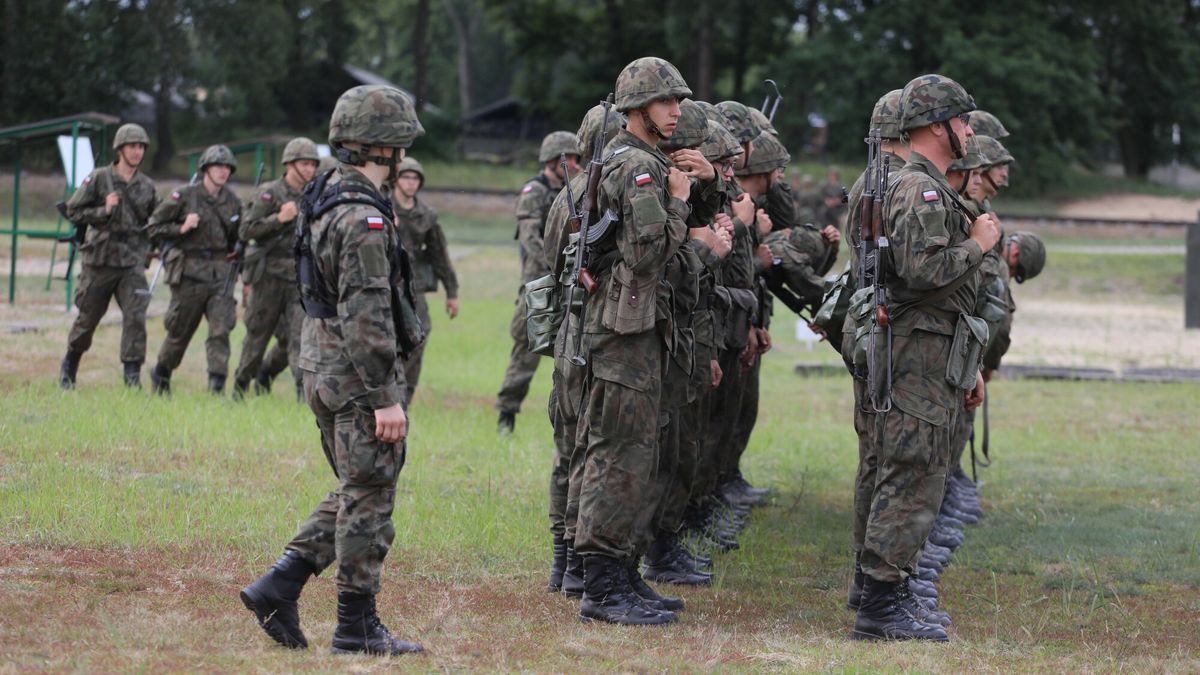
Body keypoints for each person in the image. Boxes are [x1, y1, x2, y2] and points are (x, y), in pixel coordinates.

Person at [239, 84, 426, 657]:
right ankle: (356, 626)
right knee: (370, 490)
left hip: (321, 363)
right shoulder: (363, 215)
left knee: (357, 484)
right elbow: (366, 312)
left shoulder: (324, 193)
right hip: (353, 374)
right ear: (384, 147)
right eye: (401, 145)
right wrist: (384, 396)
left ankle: (282, 583)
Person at [851, 74, 1001, 642]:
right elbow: (923, 272)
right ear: (938, 125)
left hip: (934, 348)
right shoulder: (921, 190)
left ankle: (888, 592)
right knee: (910, 472)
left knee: (918, 471)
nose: (968, 131)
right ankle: (881, 606)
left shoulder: (928, 186)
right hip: (916, 349)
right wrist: (981, 243)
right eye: (963, 120)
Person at [569, 56, 692, 626]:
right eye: (667, 102)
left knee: (634, 450)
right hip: (622, 330)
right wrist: (680, 199)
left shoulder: (630, 160)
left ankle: (619, 572)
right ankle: (601, 585)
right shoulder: (641, 170)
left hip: (629, 326)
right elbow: (645, 255)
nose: (676, 112)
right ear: (638, 109)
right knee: (619, 452)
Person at [59, 123, 158, 389]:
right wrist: (103, 210)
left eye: (141, 147)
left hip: (131, 262)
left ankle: (132, 375)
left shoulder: (147, 186)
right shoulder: (100, 178)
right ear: (120, 149)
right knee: (88, 317)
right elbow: (73, 211)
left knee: (137, 315)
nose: (137, 152)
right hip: (100, 260)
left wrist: (159, 244)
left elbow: (155, 222)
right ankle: (70, 365)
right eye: (132, 146)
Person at [495, 131, 580, 433]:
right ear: (552, 160)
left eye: (575, 157)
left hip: (569, 281)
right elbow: (531, 239)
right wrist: (555, 265)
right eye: (568, 158)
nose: (573, 163)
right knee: (526, 348)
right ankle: (507, 411)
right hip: (539, 283)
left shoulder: (574, 190)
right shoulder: (535, 191)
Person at [147, 144, 243, 395]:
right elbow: (154, 226)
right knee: (180, 331)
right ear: (205, 169)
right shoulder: (184, 196)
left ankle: (217, 385)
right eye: (218, 166)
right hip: (189, 274)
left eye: (227, 168)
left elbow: (238, 239)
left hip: (221, 274)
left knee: (220, 330)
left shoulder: (233, 202)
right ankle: (162, 373)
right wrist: (181, 227)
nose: (223, 172)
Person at [231, 137, 320, 400]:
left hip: (299, 278)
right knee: (257, 336)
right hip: (268, 276)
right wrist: (278, 219)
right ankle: (240, 388)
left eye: (313, 165)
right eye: (304, 164)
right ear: (289, 164)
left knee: (300, 338)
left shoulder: (315, 196)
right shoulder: (269, 193)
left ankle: (302, 395)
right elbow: (246, 230)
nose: (309, 170)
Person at [393, 156, 460, 407]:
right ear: (396, 180)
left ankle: (405, 397)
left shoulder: (426, 215)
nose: (410, 183)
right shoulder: (382, 208)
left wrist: (451, 292)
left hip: (414, 287)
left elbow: (439, 255)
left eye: (415, 179)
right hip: (386, 284)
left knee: (419, 335)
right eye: (406, 177)